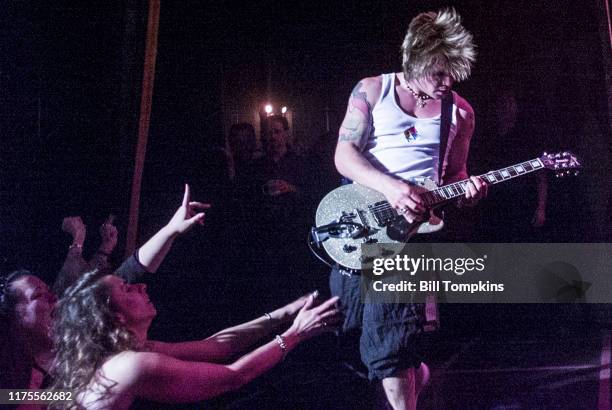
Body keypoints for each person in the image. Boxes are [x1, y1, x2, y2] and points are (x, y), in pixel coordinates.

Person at [331, 8, 487, 409]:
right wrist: (392, 187)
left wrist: (466, 190)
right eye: (439, 73)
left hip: (411, 241)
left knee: (390, 344)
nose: (447, 82)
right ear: (415, 60)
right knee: (353, 336)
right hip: (361, 228)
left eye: (453, 72)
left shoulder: (462, 112)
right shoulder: (371, 91)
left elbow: (455, 174)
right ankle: (418, 374)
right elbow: (344, 156)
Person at [0, 184, 208, 394]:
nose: (52, 296)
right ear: (14, 319)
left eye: (47, 288)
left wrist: (170, 230)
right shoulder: (14, 378)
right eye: (37, 295)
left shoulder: (80, 338)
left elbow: (126, 274)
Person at [50, 272, 341, 409]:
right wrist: (295, 334)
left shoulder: (129, 350)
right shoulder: (129, 364)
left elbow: (218, 346)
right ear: (116, 318)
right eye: (128, 290)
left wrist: (285, 313)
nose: (141, 286)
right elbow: (232, 377)